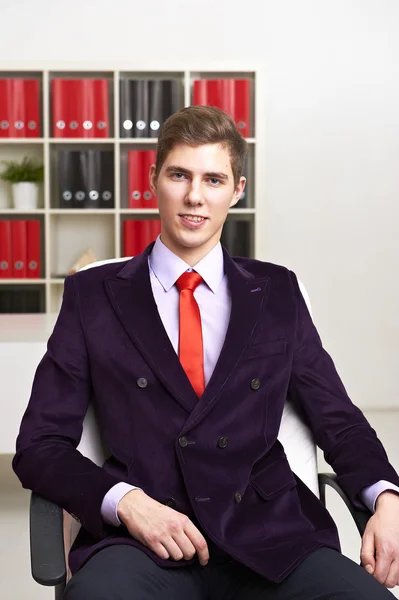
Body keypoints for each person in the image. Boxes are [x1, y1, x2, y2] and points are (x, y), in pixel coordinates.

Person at [13, 106, 399, 599]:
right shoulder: (92, 296)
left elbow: (338, 420)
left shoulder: (277, 292)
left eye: (213, 179)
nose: (195, 196)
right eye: (180, 175)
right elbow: (40, 445)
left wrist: (386, 496)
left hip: (271, 540)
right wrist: (126, 503)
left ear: (237, 189)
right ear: (153, 179)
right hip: (143, 542)